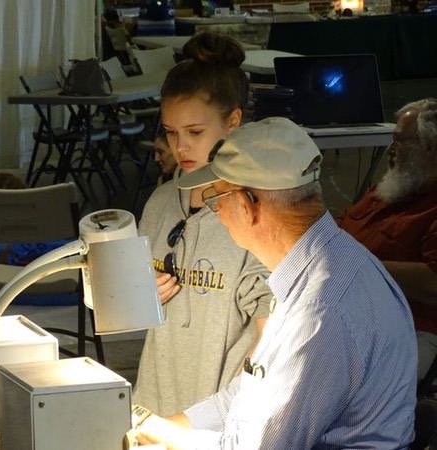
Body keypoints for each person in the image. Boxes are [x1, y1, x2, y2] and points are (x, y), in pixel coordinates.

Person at [133, 117, 417, 449]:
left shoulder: (319, 311)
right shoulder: (324, 264)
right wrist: (158, 426)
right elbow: (248, 394)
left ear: (246, 205)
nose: (218, 212)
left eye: (216, 199)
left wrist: (155, 431)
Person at [133, 31, 272, 417]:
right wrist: (131, 295)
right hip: (156, 400)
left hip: (220, 413)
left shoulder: (254, 211)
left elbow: (271, 336)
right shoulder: (161, 202)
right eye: (171, 132)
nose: (181, 147)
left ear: (233, 121)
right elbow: (122, 304)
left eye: (195, 132)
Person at [337, 98, 437, 383]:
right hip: (344, 309)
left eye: (399, 141)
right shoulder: (391, 188)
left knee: (347, 384)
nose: (391, 150)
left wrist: (358, 265)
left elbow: (433, 283)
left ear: (430, 147)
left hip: (408, 325)